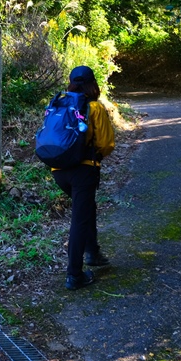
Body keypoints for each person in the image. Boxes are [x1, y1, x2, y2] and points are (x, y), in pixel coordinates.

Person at [51, 65, 116, 290]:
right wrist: (96, 155)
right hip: (83, 170)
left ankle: (93, 253)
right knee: (79, 219)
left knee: (87, 208)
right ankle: (74, 275)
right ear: (92, 84)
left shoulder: (59, 102)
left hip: (58, 170)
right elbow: (106, 144)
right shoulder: (95, 108)